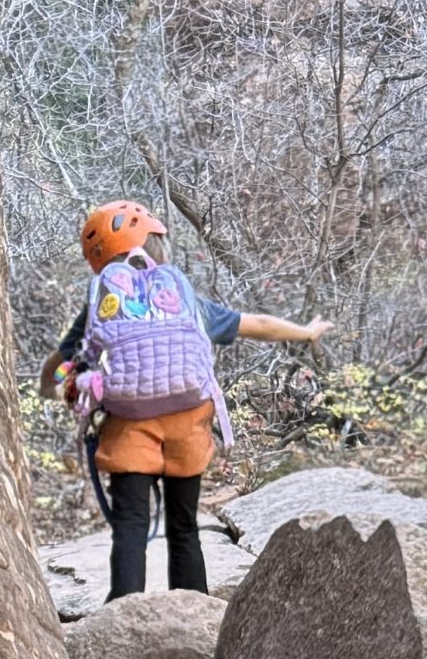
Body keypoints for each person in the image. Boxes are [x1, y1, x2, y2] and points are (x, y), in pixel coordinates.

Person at [40, 200, 332, 599]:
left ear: (99, 262)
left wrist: (50, 385)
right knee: (184, 526)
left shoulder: (103, 306)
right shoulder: (180, 298)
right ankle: (193, 608)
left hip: (128, 424)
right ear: (155, 244)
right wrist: (306, 332)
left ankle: (124, 610)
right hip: (188, 422)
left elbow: (63, 362)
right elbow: (255, 324)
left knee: (130, 525)